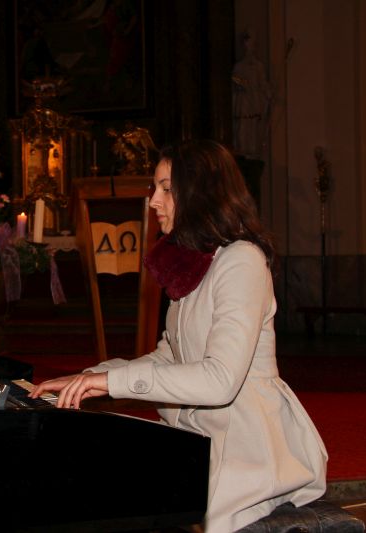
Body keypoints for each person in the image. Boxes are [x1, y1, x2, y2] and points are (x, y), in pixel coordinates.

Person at [30, 139, 328, 532]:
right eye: (155, 188)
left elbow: (220, 380)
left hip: (246, 443)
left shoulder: (241, 260)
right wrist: (91, 378)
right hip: (197, 431)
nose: (154, 200)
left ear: (203, 192)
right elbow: (170, 355)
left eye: (167, 188)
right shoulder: (191, 261)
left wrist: (111, 382)